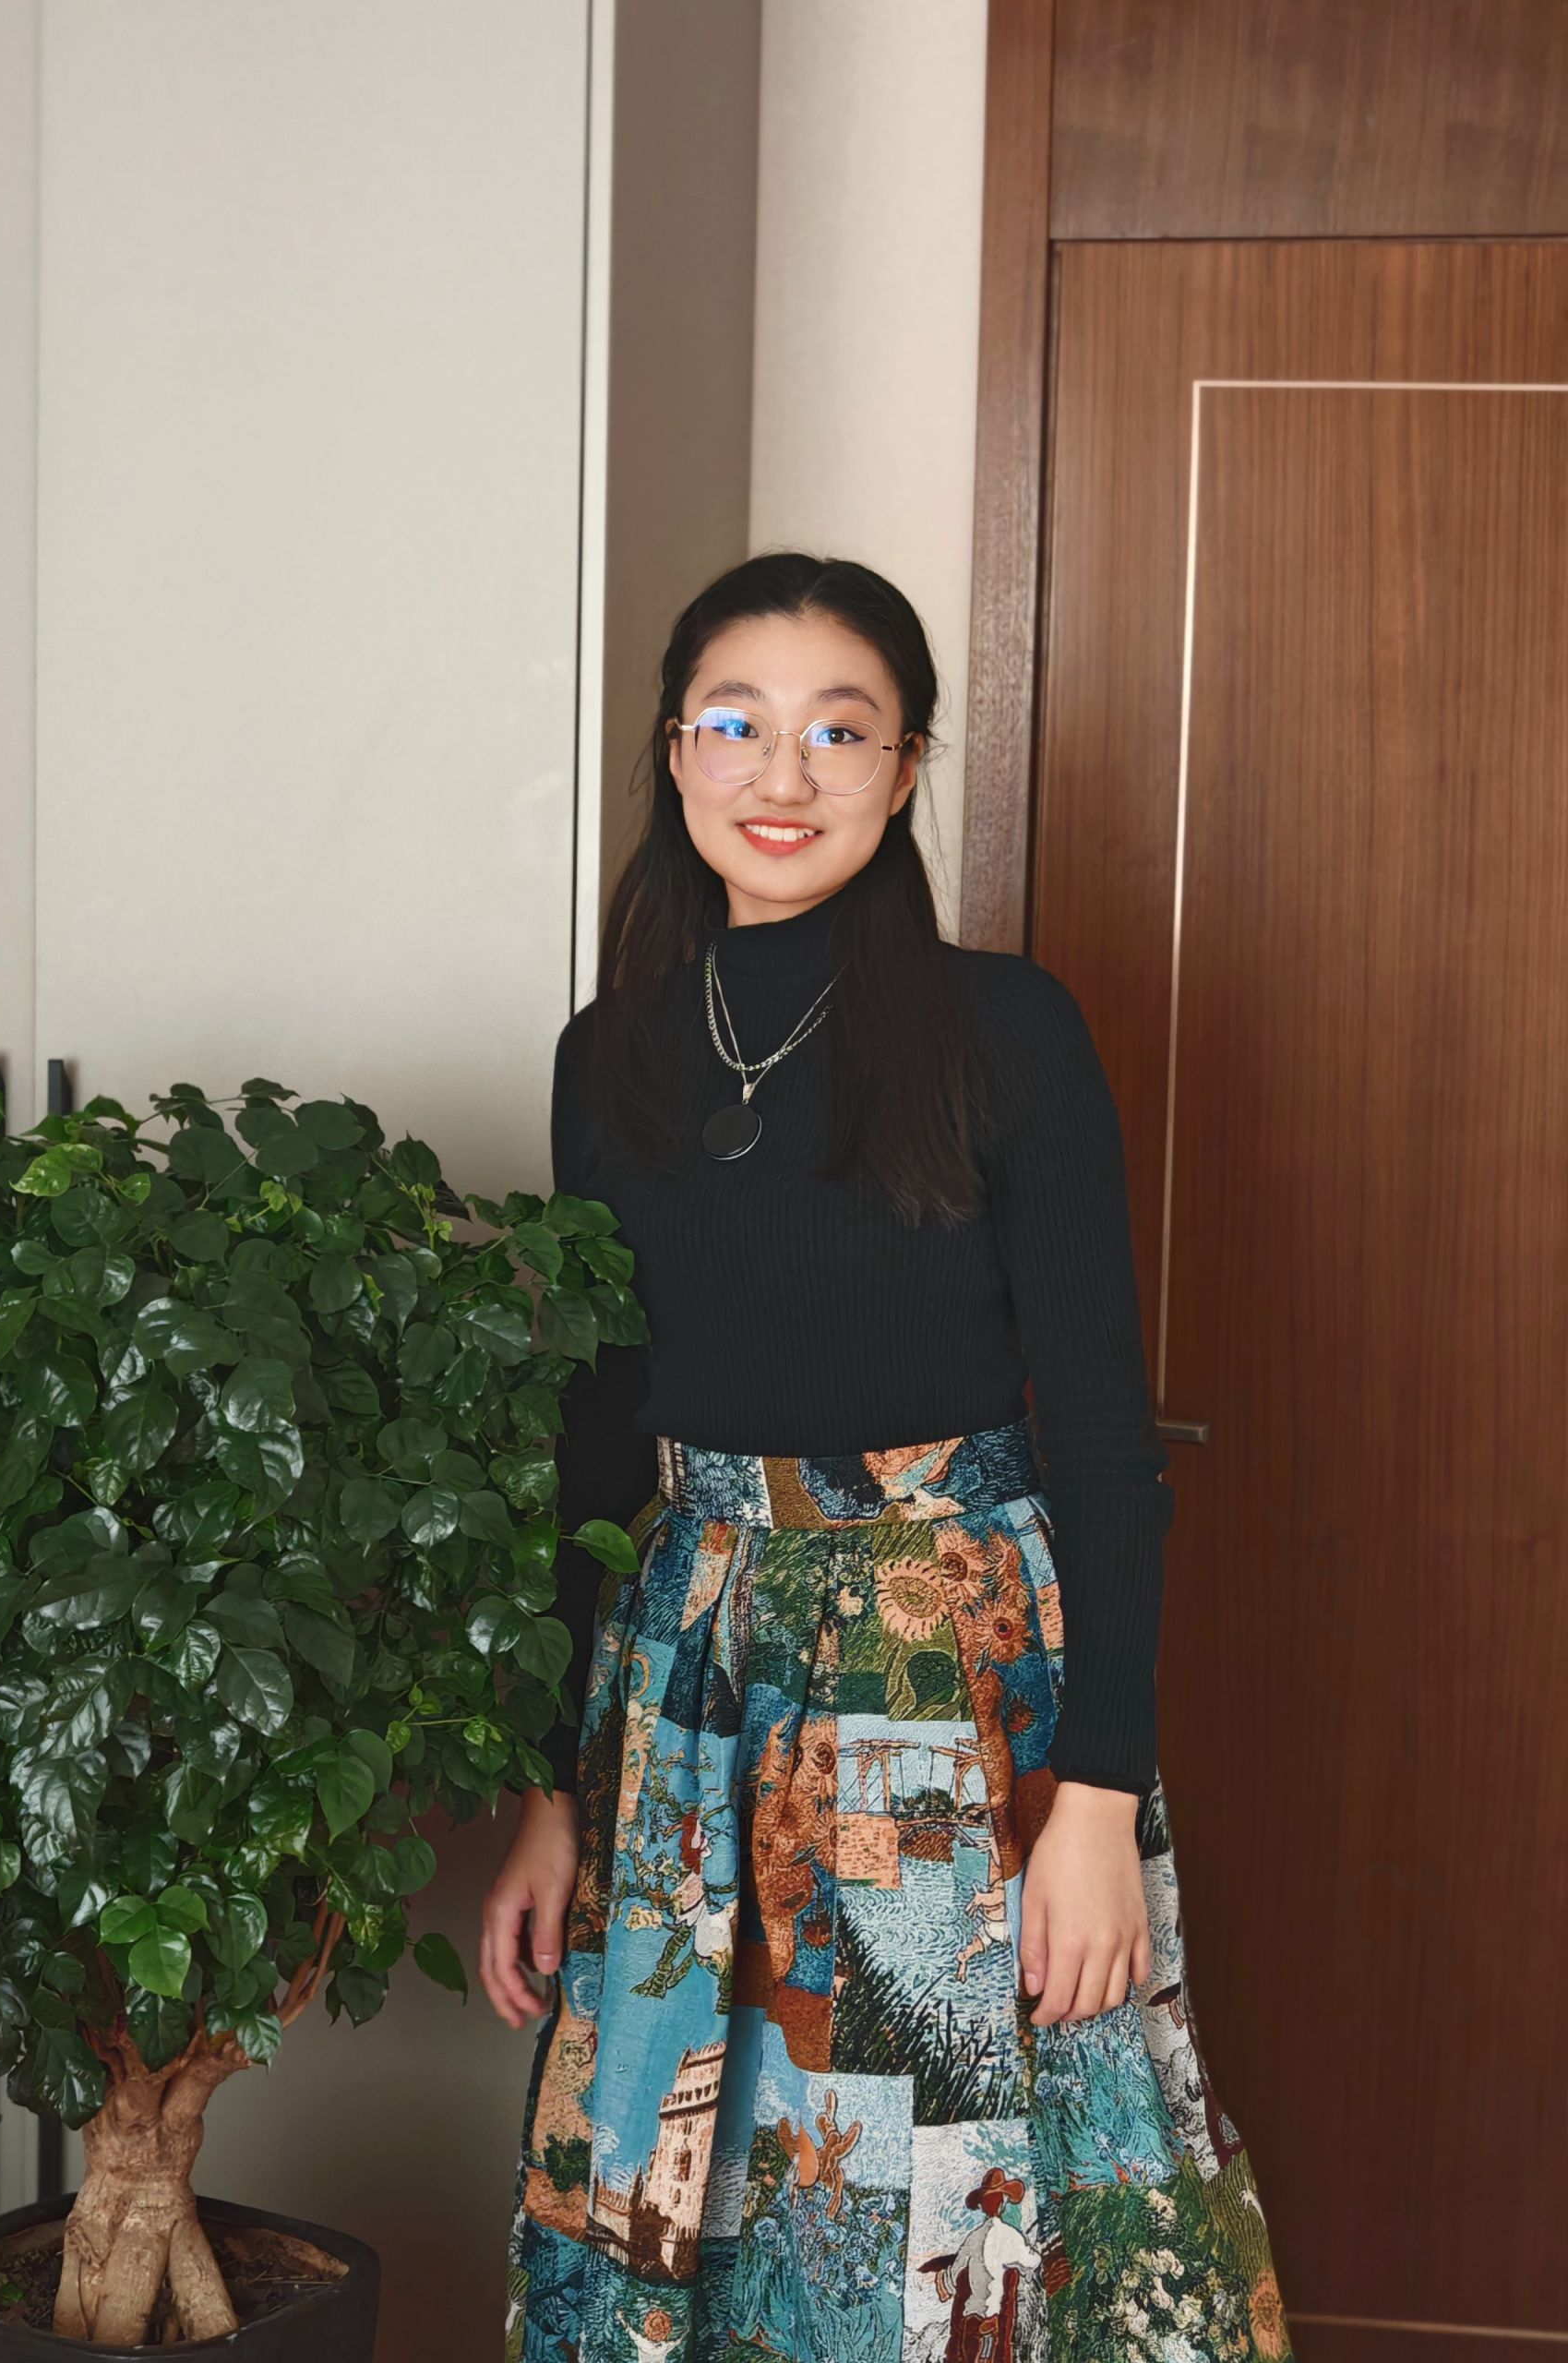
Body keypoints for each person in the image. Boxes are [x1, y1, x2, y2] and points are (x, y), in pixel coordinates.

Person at [486, 554, 1293, 2362]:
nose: (782, 774)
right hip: (688, 1685)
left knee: (952, 2201)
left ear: (907, 763)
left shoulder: (1004, 1029)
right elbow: (595, 1437)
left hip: (951, 1684)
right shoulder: (604, 1057)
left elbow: (1102, 1431)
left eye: (838, 731)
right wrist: (549, 1785)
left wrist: (1098, 1799)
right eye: (736, 723)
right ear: (674, 753)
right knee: (677, 2173)